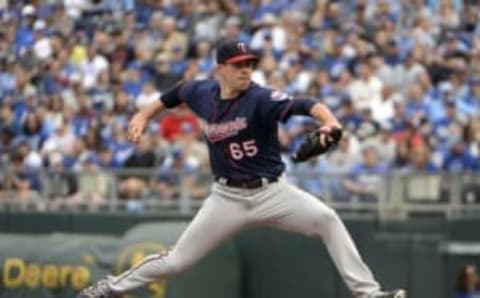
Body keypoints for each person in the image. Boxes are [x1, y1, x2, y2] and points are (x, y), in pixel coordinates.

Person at [78, 41, 406, 298]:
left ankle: (369, 294)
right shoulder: (201, 92)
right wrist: (143, 116)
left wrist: (330, 122)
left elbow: (305, 103)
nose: (246, 70)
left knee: (327, 220)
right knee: (177, 261)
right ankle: (110, 288)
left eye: (250, 64)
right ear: (220, 69)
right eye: (238, 66)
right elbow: (173, 93)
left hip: (272, 192)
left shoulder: (260, 98)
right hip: (226, 198)